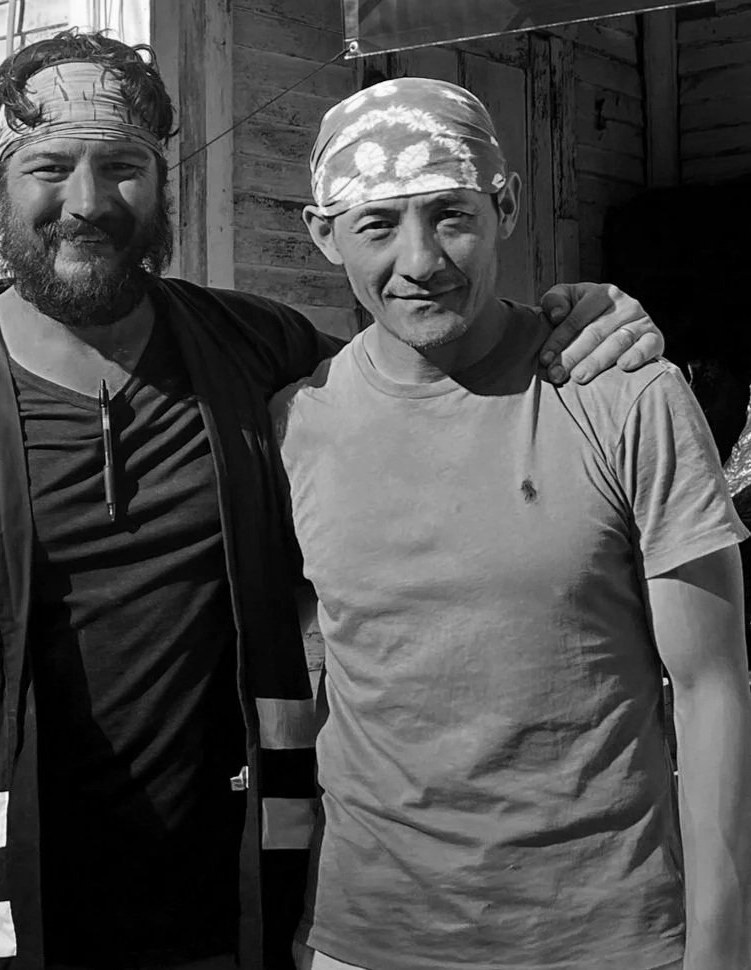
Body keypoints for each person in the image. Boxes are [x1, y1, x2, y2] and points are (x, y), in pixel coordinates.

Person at [0, 34, 665, 970]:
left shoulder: (255, 355)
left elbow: (419, 370)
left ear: (168, 184)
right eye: (50, 165)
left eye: (123, 166)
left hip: (239, 910)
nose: (87, 202)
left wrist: (580, 317)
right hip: (5, 920)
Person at [272, 78, 751, 970]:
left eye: (450, 214)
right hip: (362, 939)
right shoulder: (295, 423)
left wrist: (722, 949)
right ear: (322, 233)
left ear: (508, 206)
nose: (419, 260)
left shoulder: (625, 394)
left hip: (603, 938)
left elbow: (714, 686)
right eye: (377, 224)